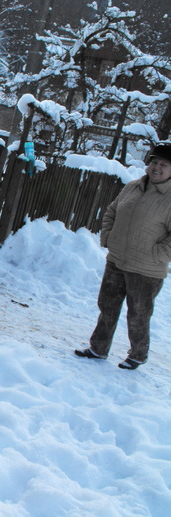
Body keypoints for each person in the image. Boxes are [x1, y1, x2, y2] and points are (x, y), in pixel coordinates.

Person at [75, 142, 171, 370]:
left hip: (147, 268)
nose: (157, 167)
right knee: (107, 305)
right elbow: (111, 210)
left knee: (138, 314)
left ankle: (137, 355)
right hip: (117, 259)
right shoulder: (133, 186)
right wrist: (108, 234)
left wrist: (158, 254)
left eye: (164, 165)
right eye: (154, 162)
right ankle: (98, 348)